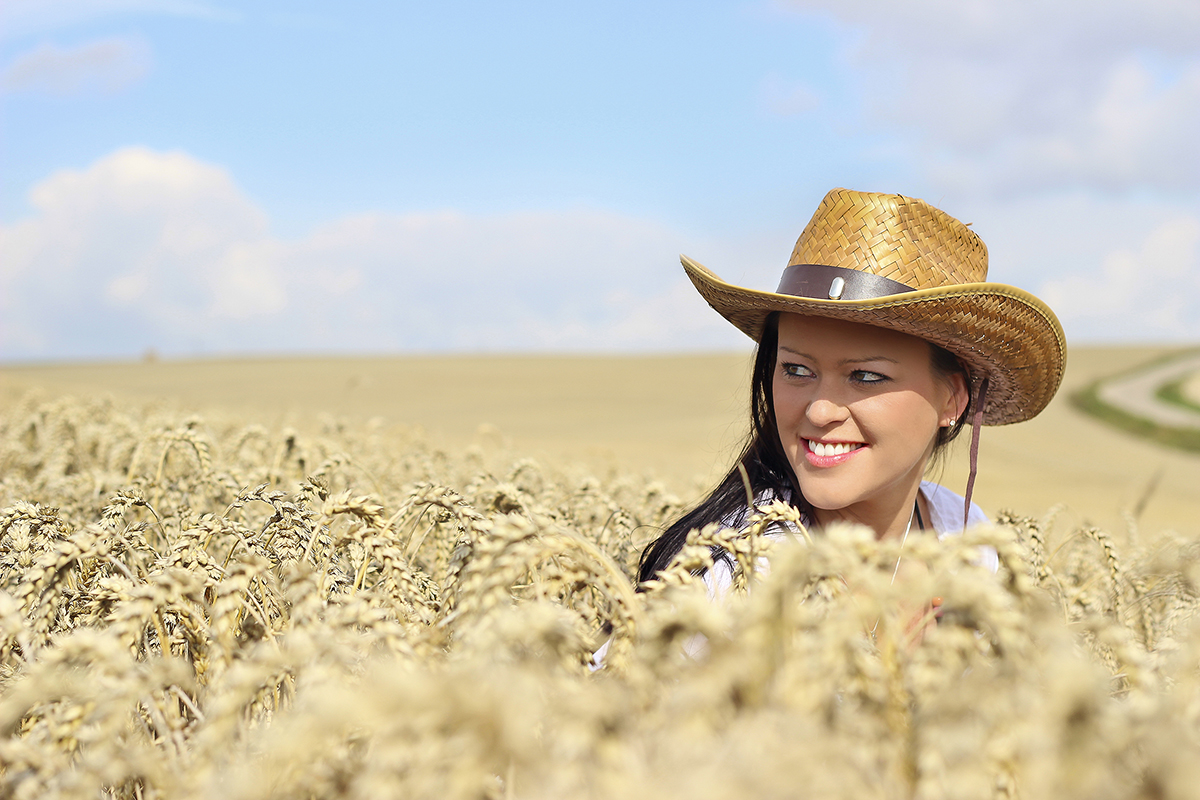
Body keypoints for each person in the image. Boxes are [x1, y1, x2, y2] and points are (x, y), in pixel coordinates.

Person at [637, 188, 1066, 597]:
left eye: (865, 376)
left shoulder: (968, 539)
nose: (821, 411)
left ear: (953, 398)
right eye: (796, 369)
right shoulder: (732, 576)